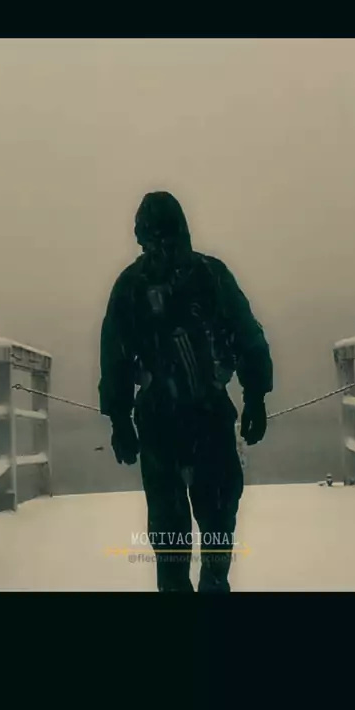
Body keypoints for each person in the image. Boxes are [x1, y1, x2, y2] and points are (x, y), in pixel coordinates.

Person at [99, 191, 273, 592]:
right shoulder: (133, 287)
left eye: (164, 238)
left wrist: (256, 397)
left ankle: (211, 584)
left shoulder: (208, 277)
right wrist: (119, 419)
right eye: (151, 241)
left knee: (216, 519)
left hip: (205, 417)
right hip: (163, 422)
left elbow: (246, 336)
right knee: (173, 530)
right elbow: (115, 355)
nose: (160, 249)